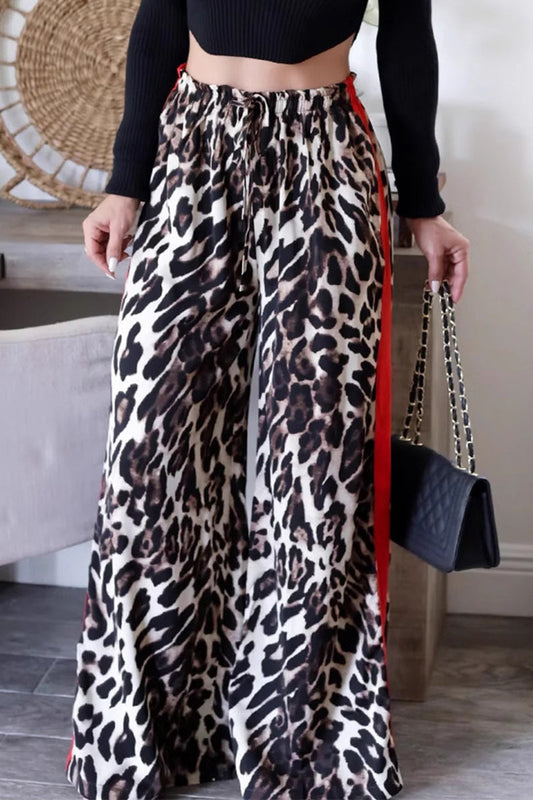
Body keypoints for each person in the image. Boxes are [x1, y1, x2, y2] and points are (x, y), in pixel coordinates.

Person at [66, 2, 470, 799]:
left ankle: (310, 741)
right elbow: (158, 24)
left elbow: (407, 40)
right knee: (155, 449)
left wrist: (421, 204)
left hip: (328, 157)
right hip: (192, 149)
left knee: (318, 467)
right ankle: (154, 729)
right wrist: (123, 184)